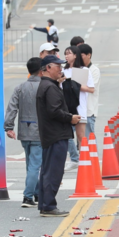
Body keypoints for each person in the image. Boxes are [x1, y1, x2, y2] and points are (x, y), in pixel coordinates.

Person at [37, 55, 81, 217]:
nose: (61, 69)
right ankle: (48, 206)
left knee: (47, 171)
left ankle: (45, 204)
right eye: (58, 66)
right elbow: (54, 111)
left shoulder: (48, 85)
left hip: (51, 134)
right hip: (56, 134)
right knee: (54, 172)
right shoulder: (50, 87)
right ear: (48, 68)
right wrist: (70, 118)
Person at [5, 57, 43, 208]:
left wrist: (9, 127)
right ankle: (28, 197)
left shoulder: (20, 87)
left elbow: (11, 108)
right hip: (39, 132)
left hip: (24, 130)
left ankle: (37, 193)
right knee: (35, 165)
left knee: (31, 164)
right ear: (42, 70)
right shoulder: (45, 87)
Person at [63, 46, 95, 166]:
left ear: (75, 55)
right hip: (65, 107)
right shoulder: (63, 70)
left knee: (81, 136)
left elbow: (91, 89)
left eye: (69, 53)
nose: (66, 56)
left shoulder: (83, 70)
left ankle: (84, 162)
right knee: (65, 135)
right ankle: (73, 159)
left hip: (79, 107)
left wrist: (75, 85)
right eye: (65, 54)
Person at [78, 44, 100, 138]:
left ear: (89, 55)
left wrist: (74, 85)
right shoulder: (78, 69)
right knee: (80, 140)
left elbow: (90, 88)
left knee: (89, 139)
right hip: (78, 110)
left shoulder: (94, 70)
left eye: (81, 55)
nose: (79, 58)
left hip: (89, 111)